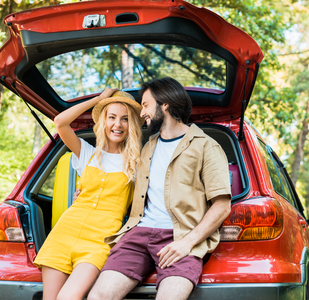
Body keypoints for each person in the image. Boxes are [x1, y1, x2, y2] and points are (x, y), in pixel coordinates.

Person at [88, 77, 232, 300]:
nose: (142, 112)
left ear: (165, 103)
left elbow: (222, 207)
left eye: (145, 105)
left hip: (180, 236)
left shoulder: (206, 146)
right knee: (98, 297)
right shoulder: (148, 148)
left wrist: (187, 243)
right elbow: (129, 189)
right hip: (138, 235)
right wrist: (87, 192)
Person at [33, 88, 143, 300]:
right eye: (111, 117)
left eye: (125, 119)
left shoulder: (137, 163)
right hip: (64, 232)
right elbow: (60, 122)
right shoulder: (87, 152)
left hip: (98, 242)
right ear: (103, 120)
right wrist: (99, 99)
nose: (117, 124)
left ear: (132, 126)